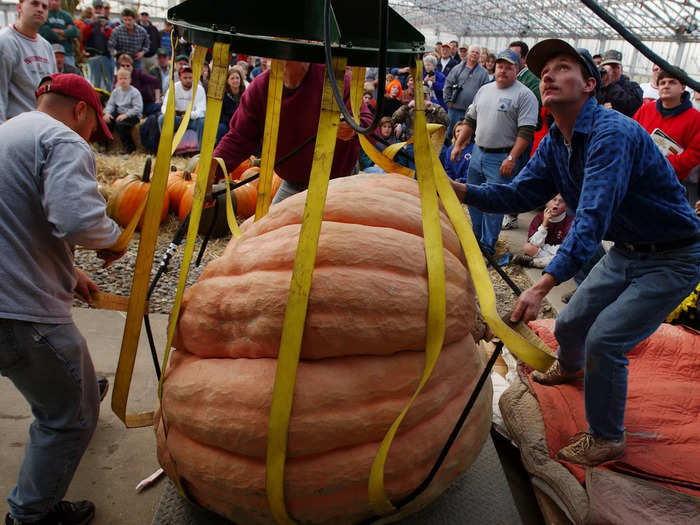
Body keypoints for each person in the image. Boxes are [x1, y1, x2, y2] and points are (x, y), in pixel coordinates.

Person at [450, 39, 700, 467]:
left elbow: (592, 218)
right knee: (570, 322)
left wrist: (542, 284)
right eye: (544, 69)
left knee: (606, 339)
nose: (547, 74)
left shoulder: (612, 133)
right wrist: (458, 191)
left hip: (674, 257)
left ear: (589, 84)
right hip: (627, 250)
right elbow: (520, 193)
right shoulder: (556, 143)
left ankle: (607, 437)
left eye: (562, 67)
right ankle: (571, 367)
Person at [0, 72, 124, 525]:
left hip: (7, 295)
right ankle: (31, 516)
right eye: (95, 127)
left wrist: (69, 271)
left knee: (60, 377)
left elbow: (17, 216)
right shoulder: (64, 140)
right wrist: (114, 239)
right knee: (68, 418)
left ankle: (73, 389)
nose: (92, 136)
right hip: (18, 309)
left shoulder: (11, 132)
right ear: (81, 111)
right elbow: (77, 220)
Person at [213, 61, 372, 203]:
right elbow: (238, 138)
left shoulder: (333, 79)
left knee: (334, 235)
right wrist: (211, 172)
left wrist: (353, 127)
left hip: (338, 182)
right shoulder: (261, 88)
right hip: (293, 184)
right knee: (271, 232)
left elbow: (368, 122)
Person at [451, 49, 538, 259]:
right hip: (478, 152)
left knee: (494, 204)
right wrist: (459, 144)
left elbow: (525, 131)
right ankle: (476, 238)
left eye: (509, 67)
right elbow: (471, 120)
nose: (503, 71)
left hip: (501, 157)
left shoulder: (525, 95)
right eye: (500, 66)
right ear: (494, 67)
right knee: (473, 198)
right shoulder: (484, 90)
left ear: (517, 70)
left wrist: (512, 158)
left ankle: (488, 247)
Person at [633, 69, 700, 204]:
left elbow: (695, 153)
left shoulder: (695, 118)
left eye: (672, 82)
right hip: (639, 175)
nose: (666, 86)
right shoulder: (646, 109)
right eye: (662, 83)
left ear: (682, 87)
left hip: (671, 182)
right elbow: (632, 135)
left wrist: (664, 163)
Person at [0, 0, 56, 124]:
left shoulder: (46, 46)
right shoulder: (5, 42)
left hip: (42, 125)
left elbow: (54, 90)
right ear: (19, 7)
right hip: (15, 124)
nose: (40, 9)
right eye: (34, 4)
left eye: (44, 7)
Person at [443, 44, 490, 145]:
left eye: (477, 53)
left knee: (468, 137)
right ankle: (447, 156)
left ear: (480, 56)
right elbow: (448, 84)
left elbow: (486, 92)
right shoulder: (457, 68)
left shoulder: (483, 73)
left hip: (470, 113)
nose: (474, 54)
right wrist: (447, 100)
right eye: (472, 51)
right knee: (450, 134)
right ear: (468, 53)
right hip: (454, 109)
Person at [512, 194, 574, 268]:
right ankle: (550, 262)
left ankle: (535, 262)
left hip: (557, 252)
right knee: (528, 248)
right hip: (543, 251)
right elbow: (533, 243)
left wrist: (547, 250)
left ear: (566, 206)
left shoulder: (570, 222)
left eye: (562, 201)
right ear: (546, 202)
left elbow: (566, 247)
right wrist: (544, 224)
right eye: (554, 199)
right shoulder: (539, 218)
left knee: (567, 258)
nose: (557, 203)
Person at [159, 65, 207, 149]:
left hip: (193, 119)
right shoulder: (173, 88)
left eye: (190, 77)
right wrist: (170, 112)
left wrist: (189, 115)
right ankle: (166, 148)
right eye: (185, 78)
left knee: (202, 122)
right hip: (177, 118)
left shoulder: (199, 89)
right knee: (162, 119)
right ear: (180, 78)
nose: (188, 80)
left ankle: (200, 151)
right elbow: (165, 106)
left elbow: (202, 111)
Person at [103, 67, 143, 153]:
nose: (123, 81)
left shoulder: (134, 92)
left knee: (121, 125)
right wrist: (107, 113)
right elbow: (110, 104)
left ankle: (129, 148)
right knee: (106, 121)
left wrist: (126, 115)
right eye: (120, 78)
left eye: (125, 78)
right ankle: (104, 146)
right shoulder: (115, 92)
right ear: (117, 80)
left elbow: (138, 108)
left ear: (130, 80)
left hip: (133, 115)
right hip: (119, 113)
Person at [597, 49, 643, 117]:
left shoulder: (633, 87)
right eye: (607, 68)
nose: (611, 71)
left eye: (615, 67)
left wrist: (610, 85)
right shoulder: (597, 86)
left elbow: (634, 107)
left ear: (621, 69)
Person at [38, 0, 80, 66]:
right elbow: (45, 31)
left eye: (57, 0)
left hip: (67, 54)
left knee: (69, 75)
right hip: (48, 54)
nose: (54, 2)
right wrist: (62, 35)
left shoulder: (66, 16)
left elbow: (75, 32)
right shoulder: (43, 14)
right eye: (52, 0)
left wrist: (61, 32)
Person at [217, 66, 246, 144]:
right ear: (227, 81)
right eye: (232, 78)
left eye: (237, 78)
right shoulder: (224, 96)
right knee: (221, 128)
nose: (235, 80)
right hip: (228, 124)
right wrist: (232, 125)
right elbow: (222, 116)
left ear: (241, 80)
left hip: (243, 123)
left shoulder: (246, 94)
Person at [84, 13, 112, 90]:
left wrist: (106, 30)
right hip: (93, 56)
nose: (101, 21)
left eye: (103, 19)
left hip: (106, 57)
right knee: (94, 81)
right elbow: (84, 34)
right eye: (100, 19)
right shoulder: (90, 26)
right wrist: (91, 23)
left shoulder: (108, 29)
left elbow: (112, 40)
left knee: (108, 82)